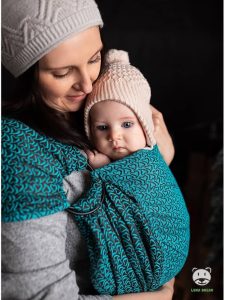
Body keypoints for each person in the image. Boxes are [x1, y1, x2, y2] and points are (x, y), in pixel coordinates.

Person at [2, 0, 175, 299]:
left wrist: (157, 162)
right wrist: (156, 296)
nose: (87, 83)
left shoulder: (109, 98)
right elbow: (41, 295)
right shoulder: (19, 152)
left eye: (95, 58)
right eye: (62, 73)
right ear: (27, 75)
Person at [66, 49, 190, 295]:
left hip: (167, 248)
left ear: (145, 127)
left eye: (126, 124)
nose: (114, 136)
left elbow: (152, 197)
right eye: (102, 127)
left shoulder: (148, 159)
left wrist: (103, 170)